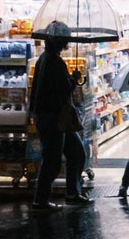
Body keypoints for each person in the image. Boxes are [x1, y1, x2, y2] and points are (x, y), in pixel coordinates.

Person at [29, 20, 89, 211]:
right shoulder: (54, 62)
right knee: (52, 160)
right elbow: (62, 89)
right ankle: (41, 201)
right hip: (53, 118)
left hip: (50, 116)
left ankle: (72, 192)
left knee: (76, 152)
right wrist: (74, 79)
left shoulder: (45, 59)